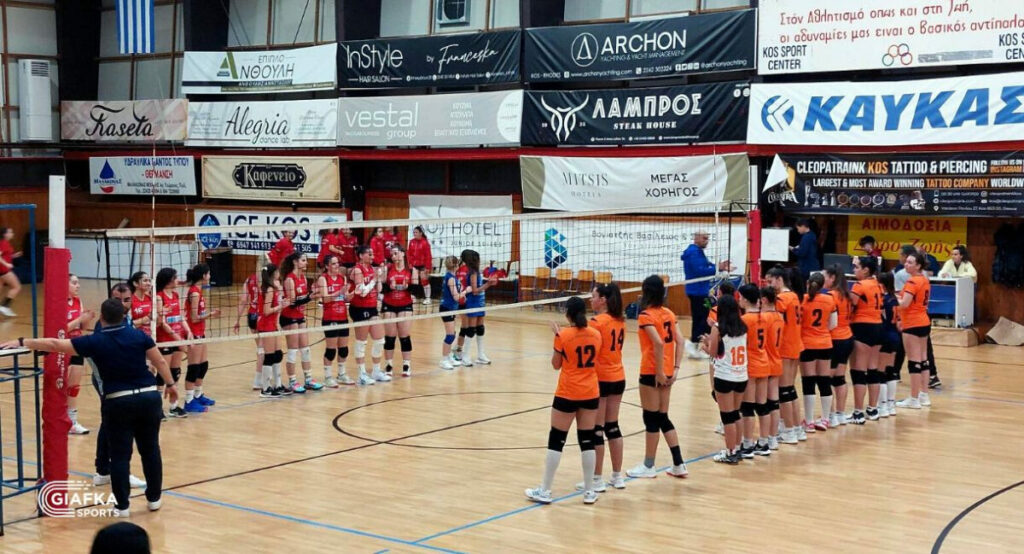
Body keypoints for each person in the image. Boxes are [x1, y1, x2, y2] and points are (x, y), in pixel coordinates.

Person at [3, 298, 176, 516]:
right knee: (150, 450)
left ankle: (122, 506)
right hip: (149, 398)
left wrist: (22, 341)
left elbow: (55, 345)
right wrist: (171, 385)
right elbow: (160, 361)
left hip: (118, 401)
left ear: (102, 318)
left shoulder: (94, 341)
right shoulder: (139, 335)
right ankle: (154, 499)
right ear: (124, 316)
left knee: (120, 456)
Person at [524, 297, 602, 505]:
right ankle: (589, 491)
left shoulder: (563, 336)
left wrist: (558, 338)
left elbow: (555, 364)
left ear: (568, 314)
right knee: (587, 440)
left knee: (556, 439)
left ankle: (545, 490)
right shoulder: (596, 334)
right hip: (590, 392)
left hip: (568, 392)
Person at [626, 275, 688, 479]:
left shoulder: (646, 316)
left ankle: (648, 465)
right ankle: (678, 463)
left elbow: (658, 343)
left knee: (651, 419)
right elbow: (681, 341)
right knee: (662, 417)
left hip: (652, 371)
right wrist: (675, 368)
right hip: (668, 371)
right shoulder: (669, 313)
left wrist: (659, 372)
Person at [91, 283, 146, 490]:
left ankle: (103, 471)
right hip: (108, 381)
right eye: (117, 300)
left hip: (119, 380)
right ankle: (116, 472)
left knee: (109, 423)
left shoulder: (126, 320)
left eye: (127, 300)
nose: (123, 304)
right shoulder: (105, 324)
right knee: (120, 425)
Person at [579, 283, 626, 490]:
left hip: (601, 378)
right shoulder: (620, 320)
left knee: (596, 430)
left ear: (603, 300)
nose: (591, 300)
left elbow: (588, 349)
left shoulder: (597, 322)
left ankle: (596, 480)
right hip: (618, 376)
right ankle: (617, 476)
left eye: (594, 296)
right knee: (613, 426)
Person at [706, 295, 747, 464]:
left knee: (727, 416)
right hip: (741, 376)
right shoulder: (743, 326)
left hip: (725, 376)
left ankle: (730, 453)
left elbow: (713, 353)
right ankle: (736, 448)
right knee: (736, 414)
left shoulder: (718, 328)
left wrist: (706, 345)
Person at [767, 266, 805, 444]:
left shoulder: (782, 298)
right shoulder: (794, 296)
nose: (768, 285)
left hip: (784, 347)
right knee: (790, 389)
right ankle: (796, 428)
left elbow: (778, 323)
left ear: (779, 279)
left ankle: (789, 431)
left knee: (783, 391)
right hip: (795, 344)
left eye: (770, 281)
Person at [799, 272, 837, 433]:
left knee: (808, 382)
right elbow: (833, 324)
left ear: (808, 283)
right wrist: (821, 331)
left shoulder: (803, 300)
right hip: (824, 343)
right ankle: (826, 419)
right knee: (824, 380)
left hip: (807, 344)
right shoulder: (829, 300)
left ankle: (809, 421)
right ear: (822, 285)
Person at [680, 231, 729, 359]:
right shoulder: (693, 252)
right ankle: (693, 344)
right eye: (704, 238)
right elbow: (700, 271)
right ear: (696, 238)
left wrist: (719, 267)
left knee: (705, 316)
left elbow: (706, 266)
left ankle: (697, 345)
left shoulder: (698, 251)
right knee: (702, 319)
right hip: (697, 293)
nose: (706, 241)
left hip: (701, 292)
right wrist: (718, 269)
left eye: (707, 238)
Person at [849, 256, 885, 424]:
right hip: (878, 326)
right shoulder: (878, 285)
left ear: (865, 270)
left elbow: (851, 306)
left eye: (857, 267)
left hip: (862, 326)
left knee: (859, 370)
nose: (854, 270)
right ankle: (872, 409)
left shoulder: (859, 285)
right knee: (873, 369)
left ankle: (858, 412)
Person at [739, 285, 773, 458]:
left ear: (745, 299)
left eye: (740, 297)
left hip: (750, 366)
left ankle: (747, 444)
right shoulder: (764, 317)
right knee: (762, 405)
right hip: (764, 363)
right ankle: (764, 443)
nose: (739, 300)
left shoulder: (744, 320)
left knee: (747, 407)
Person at [280, 253, 323, 392]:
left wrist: (313, 294)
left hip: (299, 315)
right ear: (295, 262)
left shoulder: (303, 277)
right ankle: (292, 381)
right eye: (303, 260)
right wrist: (310, 297)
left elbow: (303, 297)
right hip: (288, 316)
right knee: (292, 350)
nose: (306, 263)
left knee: (305, 349)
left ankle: (308, 380)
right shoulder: (289, 279)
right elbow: (292, 303)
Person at [896, 253, 933, 409]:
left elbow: (904, 304)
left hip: (912, 323)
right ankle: (924, 395)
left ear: (918, 266)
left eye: (910, 262)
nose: (906, 264)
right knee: (924, 359)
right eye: (906, 262)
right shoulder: (924, 280)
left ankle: (914, 398)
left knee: (914, 361)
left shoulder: (912, 281)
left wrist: (891, 297)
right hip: (924, 321)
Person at [154, 268, 191, 419]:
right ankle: (157, 409)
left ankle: (173, 407)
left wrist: (188, 331)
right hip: (165, 339)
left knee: (175, 371)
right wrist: (175, 336)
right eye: (175, 278)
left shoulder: (175, 295)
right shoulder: (159, 297)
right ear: (168, 280)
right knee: (163, 374)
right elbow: (161, 322)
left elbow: (181, 316)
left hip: (177, 337)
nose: (177, 280)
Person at [183, 264, 220, 413]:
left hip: (200, 332)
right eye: (208, 274)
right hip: (193, 333)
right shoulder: (195, 293)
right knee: (194, 367)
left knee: (203, 365)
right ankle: (189, 400)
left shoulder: (198, 291)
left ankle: (198, 395)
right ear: (204, 275)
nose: (210, 276)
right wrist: (210, 314)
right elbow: (194, 318)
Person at [350, 246, 388, 385]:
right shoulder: (357, 270)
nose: (372, 256)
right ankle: (361, 374)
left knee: (380, 340)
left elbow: (379, 289)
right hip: (359, 308)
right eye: (369, 254)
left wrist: (379, 279)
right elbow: (362, 292)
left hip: (372, 307)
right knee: (362, 342)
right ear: (361, 255)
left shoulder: (372, 269)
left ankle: (376, 371)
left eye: (373, 254)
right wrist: (374, 279)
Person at [823, 265, 855, 427]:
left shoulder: (830, 296)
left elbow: (829, 321)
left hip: (834, 339)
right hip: (847, 338)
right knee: (840, 378)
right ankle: (840, 414)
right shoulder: (847, 295)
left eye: (825, 276)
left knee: (827, 379)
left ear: (833, 278)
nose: (823, 279)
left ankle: (830, 416)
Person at [318, 254, 354, 387]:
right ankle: (328, 377)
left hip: (343, 316)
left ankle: (341, 375)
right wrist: (339, 292)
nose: (337, 265)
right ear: (327, 266)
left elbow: (345, 298)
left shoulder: (342, 278)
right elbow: (325, 299)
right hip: (330, 317)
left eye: (337, 263)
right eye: (333, 263)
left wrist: (351, 294)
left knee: (344, 349)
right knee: (331, 350)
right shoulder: (323, 279)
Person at [66, 274, 95, 435]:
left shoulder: (78, 301)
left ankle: (72, 421)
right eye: (74, 283)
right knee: (61, 386)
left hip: (77, 346)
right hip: (62, 348)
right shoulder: (58, 303)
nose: (78, 286)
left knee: (74, 387)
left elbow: (82, 327)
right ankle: (59, 419)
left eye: (78, 283)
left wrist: (87, 319)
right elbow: (61, 329)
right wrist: (79, 320)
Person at [382, 245, 415, 377]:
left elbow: (417, 290)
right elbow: (382, 289)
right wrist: (390, 287)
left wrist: (408, 287)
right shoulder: (387, 269)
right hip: (389, 304)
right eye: (392, 254)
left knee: (404, 336)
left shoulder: (411, 270)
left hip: (405, 305)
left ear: (403, 254)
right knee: (390, 337)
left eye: (395, 253)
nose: (393, 256)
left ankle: (406, 364)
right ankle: (388, 364)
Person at [759, 286, 784, 451]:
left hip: (765, 362)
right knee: (774, 402)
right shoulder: (780, 316)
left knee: (765, 403)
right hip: (777, 360)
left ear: (764, 300)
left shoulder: (764, 317)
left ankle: (764, 439)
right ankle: (773, 438)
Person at [461, 249, 497, 365]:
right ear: (473, 260)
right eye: (478, 259)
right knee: (471, 329)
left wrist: (488, 282)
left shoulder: (476, 272)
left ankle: (481, 355)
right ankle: (465, 356)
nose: (479, 260)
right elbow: (475, 291)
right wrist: (488, 284)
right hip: (473, 302)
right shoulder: (472, 273)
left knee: (480, 328)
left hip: (480, 302)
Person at [232, 262, 264, 390]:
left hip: (252, 316)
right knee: (262, 349)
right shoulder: (269, 280)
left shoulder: (249, 279)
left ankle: (264, 375)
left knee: (261, 347)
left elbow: (243, 300)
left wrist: (237, 320)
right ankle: (258, 380)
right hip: (262, 316)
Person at [257, 264, 286, 398]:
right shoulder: (268, 289)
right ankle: (265, 388)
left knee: (278, 354)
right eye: (277, 271)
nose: (279, 273)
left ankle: (278, 385)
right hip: (266, 325)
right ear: (273, 273)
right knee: (269, 356)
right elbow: (266, 311)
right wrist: (280, 306)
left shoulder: (272, 288)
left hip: (272, 324)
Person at [878, 271, 901, 416]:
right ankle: (891, 404)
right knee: (891, 370)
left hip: (884, 336)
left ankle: (883, 406)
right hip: (895, 336)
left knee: (880, 371)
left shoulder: (882, 300)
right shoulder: (895, 299)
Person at [438, 256, 465, 370]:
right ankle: (444, 360)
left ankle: (448, 357)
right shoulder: (451, 279)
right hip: (447, 308)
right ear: (456, 266)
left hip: (452, 308)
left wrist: (461, 289)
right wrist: (466, 292)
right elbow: (456, 297)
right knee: (450, 335)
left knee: (452, 333)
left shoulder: (453, 277)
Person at [407, 226, 433, 304]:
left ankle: (428, 298)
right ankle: (414, 297)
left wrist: (427, 267)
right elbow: (409, 254)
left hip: (423, 265)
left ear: (421, 233)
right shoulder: (411, 242)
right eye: (414, 232)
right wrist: (410, 263)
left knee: (424, 281)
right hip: (415, 265)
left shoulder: (425, 242)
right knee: (414, 281)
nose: (414, 234)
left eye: (416, 232)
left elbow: (428, 256)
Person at [0, 226, 22, 317]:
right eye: (10, 232)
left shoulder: (6, 243)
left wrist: (14, 256)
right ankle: (4, 306)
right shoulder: (3, 243)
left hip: (2, 269)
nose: (12, 234)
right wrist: (6, 264)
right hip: (3, 269)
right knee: (16, 287)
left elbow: (5, 255)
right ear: (5, 234)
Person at [128, 272, 153, 337]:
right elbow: (128, 324)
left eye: (149, 281)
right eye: (145, 281)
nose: (148, 283)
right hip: (135, 335)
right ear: (135, 283)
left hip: (151, 335)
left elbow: (156, 321)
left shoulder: (150, 298)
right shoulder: (129, 300)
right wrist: (147, 318)